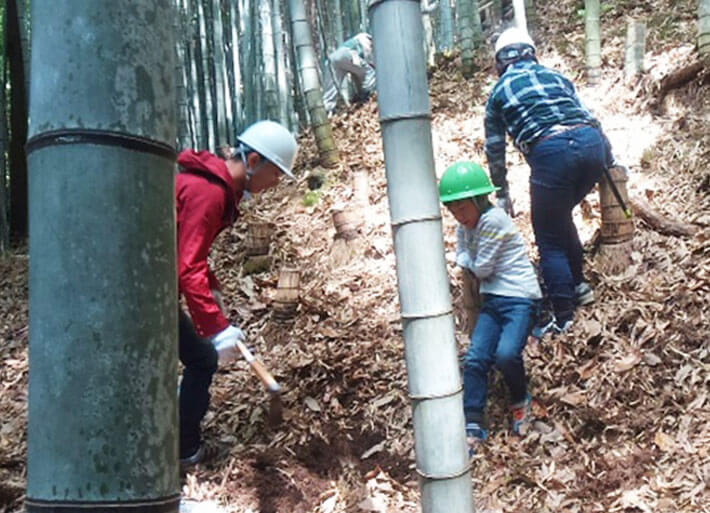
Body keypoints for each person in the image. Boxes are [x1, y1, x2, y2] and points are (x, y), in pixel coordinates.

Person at [176, 120, 298, 466]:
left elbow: (185, 250)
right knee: (201, 359)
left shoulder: (215, 188)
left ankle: (181, 444)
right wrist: (216, 327)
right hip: (139, 293)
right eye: (276, 173)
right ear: (255, 160)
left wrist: (212, 289)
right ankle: (181, 450)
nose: (275, 183)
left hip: (148, 288)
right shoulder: (209, 192)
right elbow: (187, 266)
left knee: (200, 359)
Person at [483, 27, 613, 336]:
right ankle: (579, 285)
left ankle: (563, 315)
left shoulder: (498, 93)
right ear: (532, 53)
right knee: (557, 217)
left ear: (501, 62)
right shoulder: (556, 77)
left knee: (548, 236)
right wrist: (610, 157)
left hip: (552, 152)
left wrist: (502, 193)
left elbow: (495, 148)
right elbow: (586, 115)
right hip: (591, 144)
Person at [439, 162, 542, 450]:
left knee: (507, 354)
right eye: (453, 211)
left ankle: (520, 400)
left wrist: (467, 261)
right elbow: (463, 251)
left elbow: (481, 268)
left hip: (520, 298)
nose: (458, 216)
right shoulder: (467, 227)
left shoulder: (493, 220)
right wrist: (467, 259)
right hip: (494, 300)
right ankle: (472, 420)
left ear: (478, 200)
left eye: (462, 208)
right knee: (475, 358)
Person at [322, 32, 376, 114]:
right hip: (348, 54)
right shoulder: (366, 39)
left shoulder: (357, 38)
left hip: (333, 57)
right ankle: (367, 97)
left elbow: (357, 73)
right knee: (370, 72)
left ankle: (327, 111)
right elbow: (367, 63)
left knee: (331, 90)